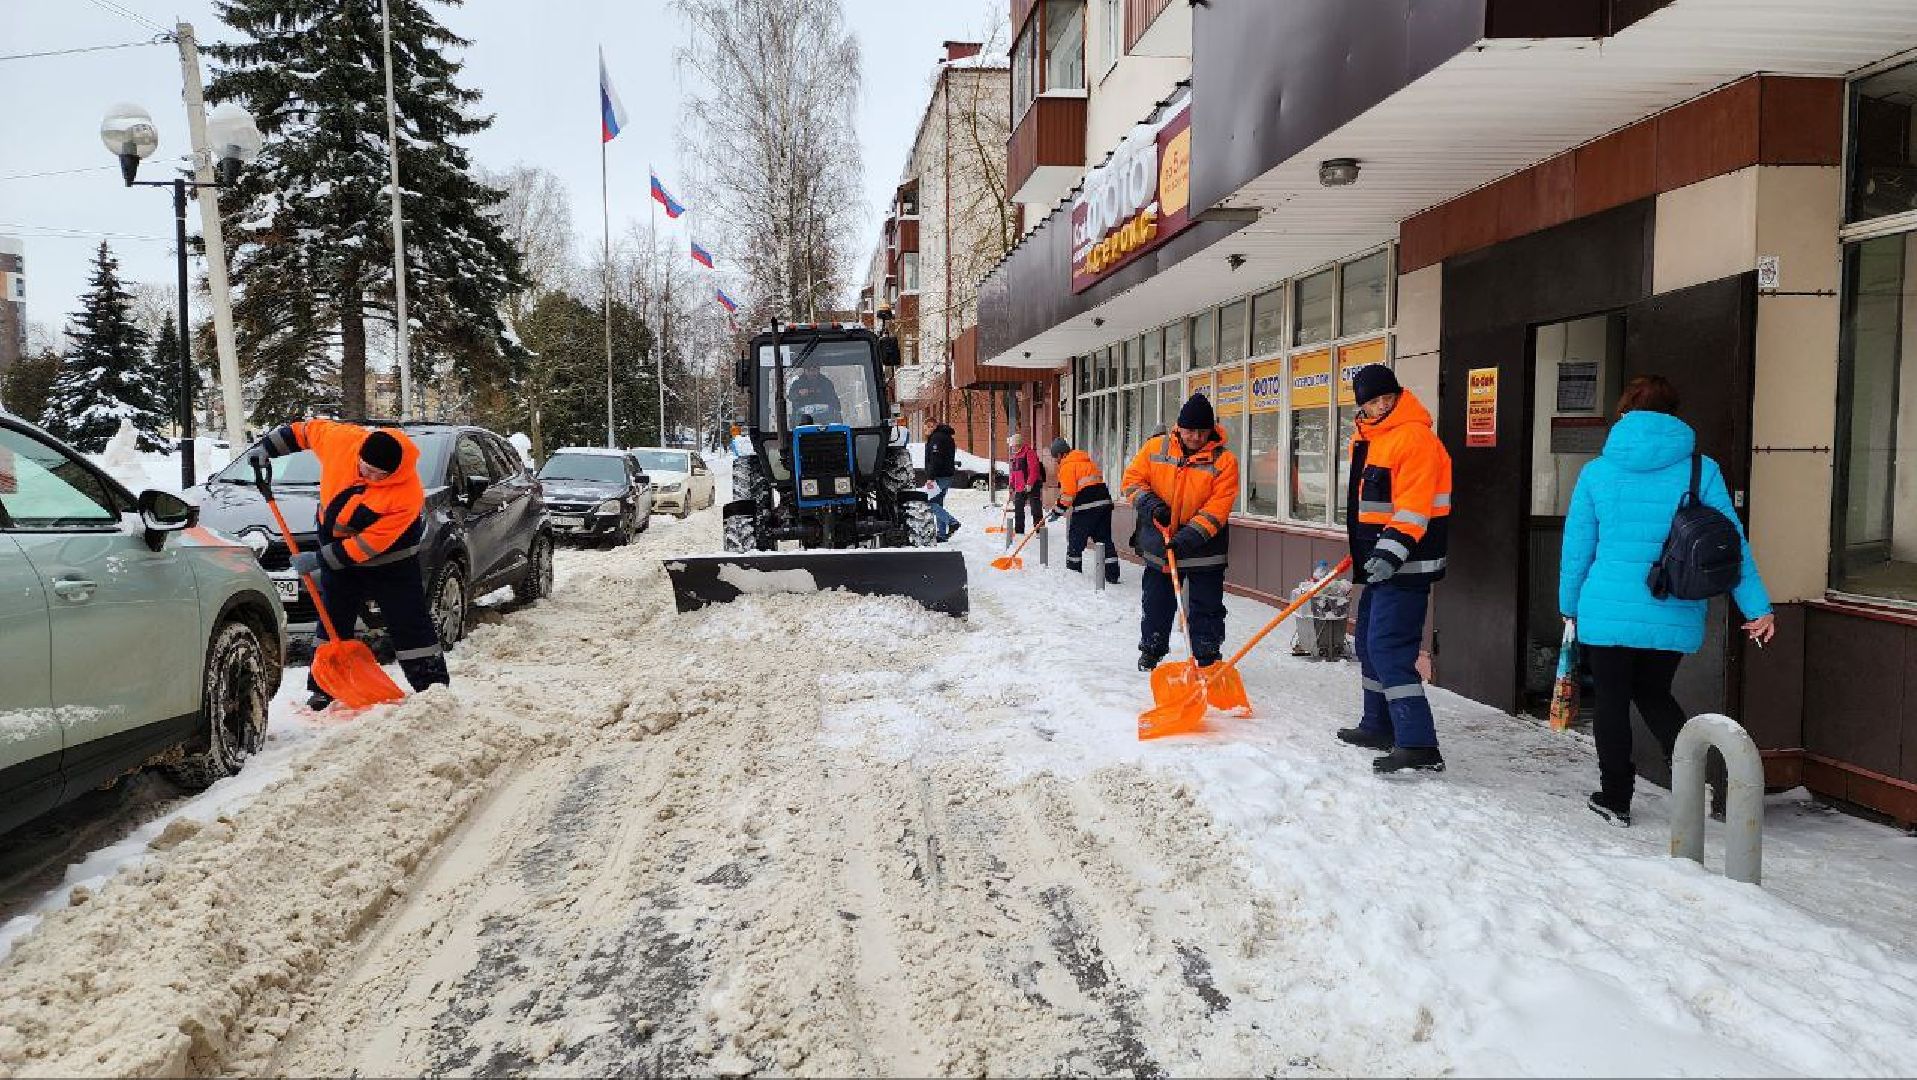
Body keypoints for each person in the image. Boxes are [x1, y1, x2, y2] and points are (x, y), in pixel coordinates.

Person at [1559, 375, 1774, 826]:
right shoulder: (1701, 469)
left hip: (1606, 608)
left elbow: (1578, 546)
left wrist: (1569, 604)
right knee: (1654, 694)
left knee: (1613, 702)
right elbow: (1730, 543)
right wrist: (1757, 608)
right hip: (1672, 606)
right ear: (1674, 415)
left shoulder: (1597, 471)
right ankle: (1694, 784)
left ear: (1624, 414)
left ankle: (1616, 798)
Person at [252, 418, 448, 709]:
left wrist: (318, 559)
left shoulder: (406, 494)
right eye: (364, 467)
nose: (367, 475)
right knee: (332, 617)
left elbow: (367, 545)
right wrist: (266, 448)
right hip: (337, 551)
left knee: (408, 620)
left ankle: (432, 687)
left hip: (391, 563)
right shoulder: (341, 440)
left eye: (377, 474)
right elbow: (304, 431)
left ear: (393, 471)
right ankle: (324, 686)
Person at [1335, 365, 1453, 775]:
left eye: (1386, 399)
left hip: (1406, 565)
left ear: (1397, 397)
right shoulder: (1370, 438)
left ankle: (1418, 743)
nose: (1380, 407)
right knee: (1368, 644)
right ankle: (1378, 725)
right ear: (1362, 407)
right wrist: (1367, 551)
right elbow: (1370, 508)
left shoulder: (1413, 437)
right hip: (1380, 563)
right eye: (1371, 402)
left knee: (1388, 648)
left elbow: (1413, 507)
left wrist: (1388, 553)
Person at [1122, 393, 1239, 672]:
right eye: (1190, 431)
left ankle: (1207, 656)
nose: (1196, 437)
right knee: (1156, 602)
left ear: (1211, 430)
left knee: (1206, 606)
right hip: (1160, 542)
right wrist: (1152, 506)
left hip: (1204, 547)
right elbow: (1131, 482)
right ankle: (1151, 648)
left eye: (1202, 431)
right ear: (1179, 427)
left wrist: (1186, 538)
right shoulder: (1155, 447)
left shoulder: (1224, 461)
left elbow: (1217, 509)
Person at [1048, 437, 1119, 584]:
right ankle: (1112, 575)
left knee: (1076, 540)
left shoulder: (1067, 466)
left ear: (1061, 454)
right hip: (1104, 505)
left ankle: (1073, 574)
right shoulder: (1087, 462)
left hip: (1086, 507)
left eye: (1056, 458)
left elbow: (1068, 494)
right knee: (1104, 539)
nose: (1056, 461)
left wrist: (1057, 511)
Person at [924, 420, 961, 540]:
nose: (926, 431)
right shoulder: (947, 436)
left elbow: (936, 459)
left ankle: (952, 522)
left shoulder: (936, 438)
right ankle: (942, 534)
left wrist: (930, 477)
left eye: (927, 428)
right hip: (947, 475)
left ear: (932, 426)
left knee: (930, 503)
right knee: (938, 504)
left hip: (939, 477)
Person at [1006, 433, 1044, 534]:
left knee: (1035, 509)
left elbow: (1034, 469)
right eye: (1012, 446)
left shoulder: (1029, 453)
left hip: (1032, 485)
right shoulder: (1015, 456)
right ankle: (1019, 532)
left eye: (1014, 446)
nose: (1012, 448)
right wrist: (1011, 485)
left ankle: (1040, 531)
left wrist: (1030, 483)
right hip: (1020, 487)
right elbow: (1013, 473)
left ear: (1019, 445)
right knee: (1018, 510)